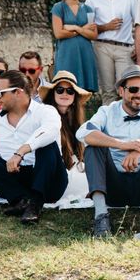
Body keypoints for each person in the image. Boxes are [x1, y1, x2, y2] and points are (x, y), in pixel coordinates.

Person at [76, 65, 140, 238]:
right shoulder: (107, 111)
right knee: (93, 148)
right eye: (133, 89)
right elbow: (84, 133)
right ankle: (101, 217)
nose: (139, 94)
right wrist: (123, 145)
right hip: (113, 186)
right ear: (121, 91)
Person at [0, 70, 67, 224]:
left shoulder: (46, 111)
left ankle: (35, 204)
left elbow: (49, 131)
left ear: (18, 92)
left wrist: (21, 152)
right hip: (15, 181)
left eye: (0, 92)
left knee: (47, 143)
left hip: (47, 180)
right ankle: (21, 201)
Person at [85, 0, 138, 104]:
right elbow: (90, 28)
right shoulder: (91, 1)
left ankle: (128, 123)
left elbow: (139, 25)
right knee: (108, 91)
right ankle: (109, 124)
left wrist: (139, 49)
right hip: (102, 47)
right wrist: (105, 27)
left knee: (126, 89)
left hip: (125, 48)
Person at [38, 70, 92, 207]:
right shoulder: (45, 116)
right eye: (60, 90)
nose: (65, 94)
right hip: (56, 175)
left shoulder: (77, 120)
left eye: (70, 91)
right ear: (53, 93)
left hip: (75, 169)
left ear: (75, 96)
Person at [50, 0, 98, 92]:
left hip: (85, 54)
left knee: (84, 92)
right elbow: (59, 34)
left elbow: (93, 35)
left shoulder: (88, 9)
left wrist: (75, 28)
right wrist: (83, 29)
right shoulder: (58, 8)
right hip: (67, 54)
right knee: (65, 86)